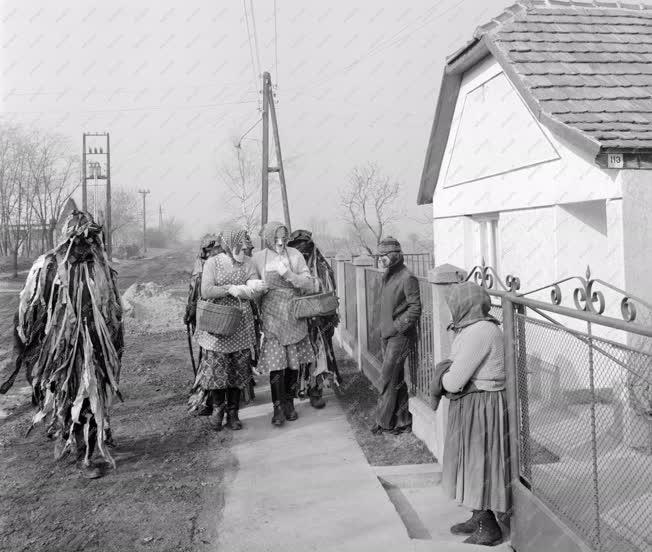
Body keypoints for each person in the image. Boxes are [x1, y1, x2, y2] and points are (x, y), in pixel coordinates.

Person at [1, 211, 123, 479]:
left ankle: (91, 445)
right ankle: (83, 454)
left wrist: (114, 336)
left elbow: (113, 306)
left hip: (97, 344)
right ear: (67, 238)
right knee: (70, 395)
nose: (85, 243)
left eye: (91, 237)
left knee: (94, 396)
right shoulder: (48, 267)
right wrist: (34, 345)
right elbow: (29, 310)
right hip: (63, 349)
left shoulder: (101, 265)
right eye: (80, 238)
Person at [439, 281, 510, 546]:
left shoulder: (481, 331)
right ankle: (478, 514)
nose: (452, 309)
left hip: (482, 404)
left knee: (477, 462)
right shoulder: (473, 328)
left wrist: (443, 377)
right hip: (474, 402)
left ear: (465, 305)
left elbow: (454, 381)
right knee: (470, 461)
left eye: (455, 304)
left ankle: (488, 527)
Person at [189, 226, 266, 431]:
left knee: (237, 371)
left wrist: (251, 287)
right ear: (230, 243)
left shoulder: (248, 263)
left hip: (241, 324)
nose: (244, 247)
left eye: (245, 243)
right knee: (216, 371)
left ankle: (233, 413)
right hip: (218, 324)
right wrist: (231, 289)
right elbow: (206, 290)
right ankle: (217, 410)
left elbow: (255, 288)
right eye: (240, 243)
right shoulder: (213, 263)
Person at [252, 221, 316, 426]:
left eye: (284, 238)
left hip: (293, 315)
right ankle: (277, 407)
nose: (280, 242)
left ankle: (289, 403)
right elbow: (252, 288)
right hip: (272, 317)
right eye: (276, 238)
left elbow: (309, 283)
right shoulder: (259, 258)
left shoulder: (295, 255)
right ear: (269, 239)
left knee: (292, 364)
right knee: (276, 365)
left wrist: (290, 275)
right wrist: (256, 288)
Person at [371, 236, 421, 435]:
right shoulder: (388, 275)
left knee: (386, 379)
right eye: (379, 255)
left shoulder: (407, 277)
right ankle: (403, 421)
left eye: (383, 255)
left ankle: (383, 422)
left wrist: (397, 327)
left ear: (394, 256)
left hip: (400, 337)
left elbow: (415, 308)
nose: (380, 258)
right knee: (396, 380)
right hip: (387, 335)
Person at [287, 229, 340, 408]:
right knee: (295, 356)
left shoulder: (321, 267)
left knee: (318, 354)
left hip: (317, 322)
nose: (302, 251)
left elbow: (329, 292)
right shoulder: (287, 265)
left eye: (305, 247)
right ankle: (297, 389)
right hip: (294, 320)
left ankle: (315, 391)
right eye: (298, 248)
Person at [185, 234, 222, 416]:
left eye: (215, 250)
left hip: (224, 318)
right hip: (205, 318)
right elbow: (193, 292)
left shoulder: (223, 265)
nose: (212, 253)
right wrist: (190, 311)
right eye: (209, 250)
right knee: (208, 360)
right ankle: (208, 400)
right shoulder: (200, 267)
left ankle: (224, 403)